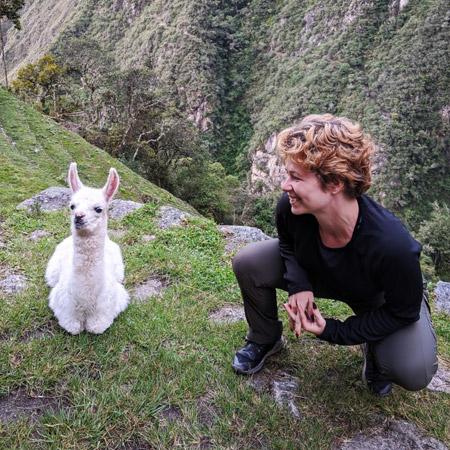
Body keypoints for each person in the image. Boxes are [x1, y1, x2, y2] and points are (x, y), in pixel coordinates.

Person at [231, 114, 438, 396]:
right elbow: (288, 245)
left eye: (296, 177)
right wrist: (299, 285)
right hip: (320, 272)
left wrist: (333, 330)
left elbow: (402, 312)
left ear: (334, 184)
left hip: (375, 295)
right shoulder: (292, 208)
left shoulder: (392, 247)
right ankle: (265, 339)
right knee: (249, 262)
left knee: (414, 369)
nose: (284, 185)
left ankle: (377, 351)